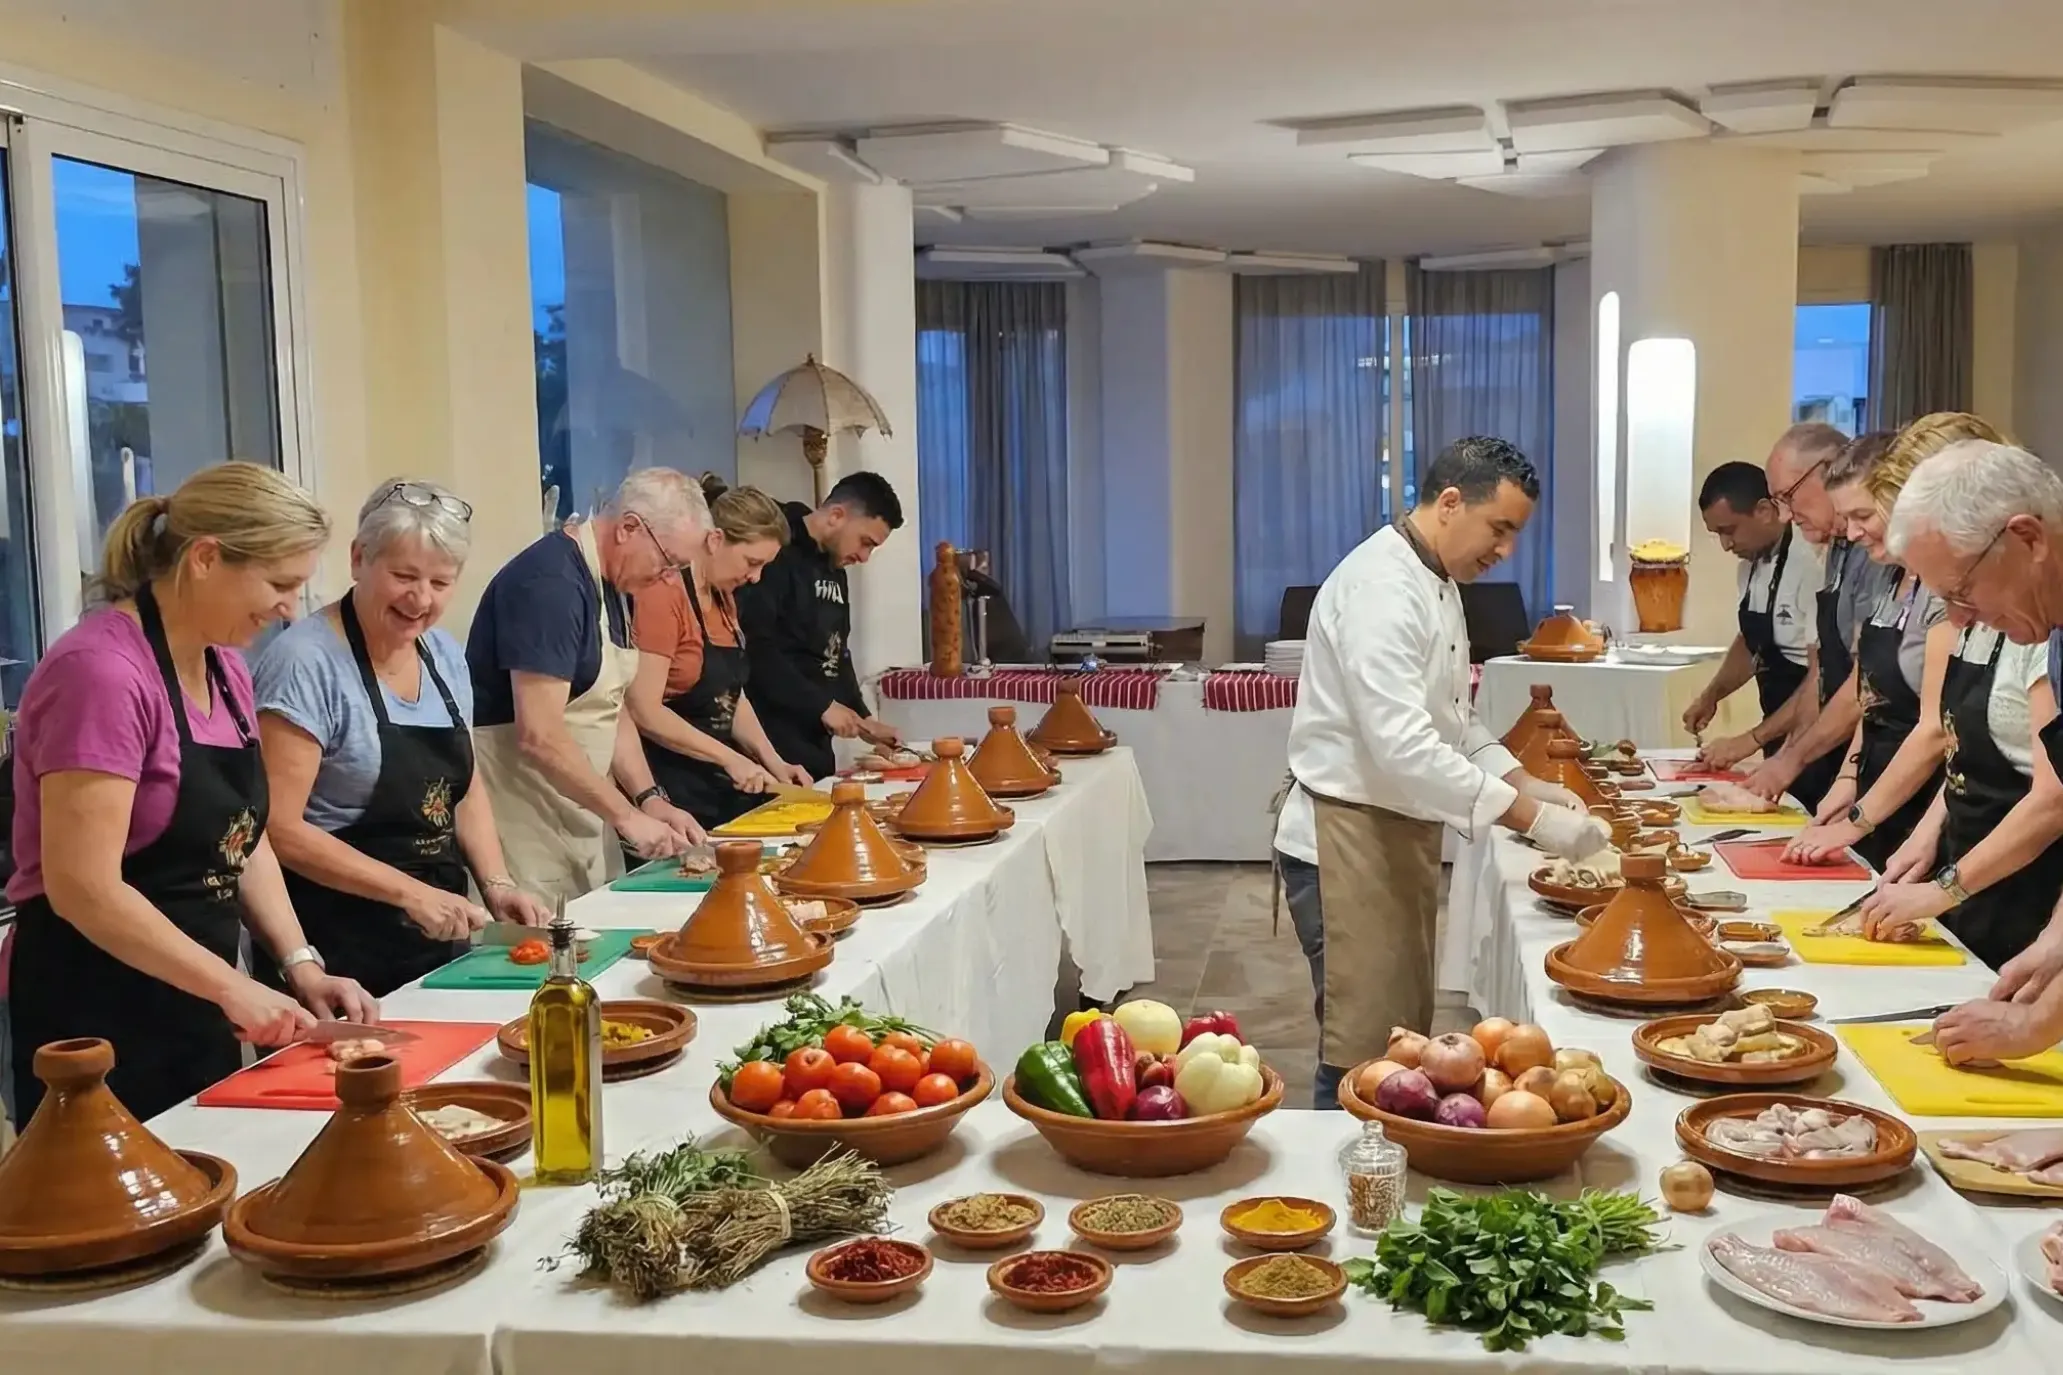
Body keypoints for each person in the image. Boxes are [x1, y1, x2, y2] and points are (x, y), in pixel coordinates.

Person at [5, 464, 376, 1123]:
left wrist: (298, 962)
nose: (291, 608)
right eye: (280, 584)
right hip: (91, 1008)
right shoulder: (101, 674)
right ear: (206, 558)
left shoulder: (224, 663)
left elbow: (239, 837)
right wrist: (231, 985)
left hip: (191, 996)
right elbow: (82, 885)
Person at [1274, 437, 1610, 1108]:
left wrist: (1522, 781)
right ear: (1450, 502)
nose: (1505, 550)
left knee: (1394, 1041)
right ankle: (1342, 1182)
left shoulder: (1434, 578)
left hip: (1390, 831)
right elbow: (1403, 746)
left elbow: (1451, 721)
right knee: (1362, 1053)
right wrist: (1532, 819)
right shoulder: (1381, 587)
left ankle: (1374, 1175)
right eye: (1499, 529)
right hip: (1345, 840)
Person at [253, 480, 551, 999]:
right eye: (403, 576)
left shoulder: (443, 654)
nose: (421, 599)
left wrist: (497, 884)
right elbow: (279, 828)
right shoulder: (305, 663)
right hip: (337, 945)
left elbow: (465, 786)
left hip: (434, 934)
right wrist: (409, 893)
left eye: (440, 583)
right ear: (357, 559)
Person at [1879, 439, 2063, 1060]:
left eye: (1963, 590)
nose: (1964, 618)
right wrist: (2058, 940)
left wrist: (2035, 1029)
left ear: (2027, 538)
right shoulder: (2054, 634)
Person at [466, 468, 708, 903]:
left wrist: (649, 798)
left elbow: (608, 707)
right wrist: (626, 816)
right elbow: (539, 734)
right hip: (526, 829)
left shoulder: (615, 586)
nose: (670, 578)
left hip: (581, 818)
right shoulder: (550, 584)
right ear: (629, 528)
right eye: (668, 562)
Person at [1784, 414, 2006, 872]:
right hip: (1890, 806)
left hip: (1938, 814)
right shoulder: (1891, 578)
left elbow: (1939, 734)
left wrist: (1861, 821)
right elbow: (1873, 698)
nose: (1850, 532)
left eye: (1863, 515)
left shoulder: (1957, 596)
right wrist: (1849, 782)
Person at [629, 477, 813, 828]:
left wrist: (773, 761)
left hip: (715, 785)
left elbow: (728, 694)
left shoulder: (723, 596)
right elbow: (644, 710)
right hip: (670, 786)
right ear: (715, 540)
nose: (756, 578)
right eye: (751, 562)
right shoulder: (664, 596)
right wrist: (729, 758)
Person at [1744, 430, 1901, 804]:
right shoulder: (1837, 548)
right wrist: (1786, 759)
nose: (1784, 514)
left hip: (1888, 770)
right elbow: (1823, 673)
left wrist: (1790, 760)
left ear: (1827, 470)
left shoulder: (1878, 553)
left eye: (1788, 496)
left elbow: (1866, 684)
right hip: (1843, 761)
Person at [736, 472, 907, 781]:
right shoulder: (777, 552)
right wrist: (822, 705)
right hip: (770, 740)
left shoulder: (835, 564)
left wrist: (864, 719)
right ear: (837, 515)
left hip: (814, 743)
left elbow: (837, 653)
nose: (865, 557)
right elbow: (756, 647)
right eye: (865, 542)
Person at [1681, 462, 1830, 807]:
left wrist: (1749, 740)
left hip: (1819, 736)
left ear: (1764, 511)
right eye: (1717, 533)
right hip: (1778, 729)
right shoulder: (1748, 567)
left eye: (1729, 530)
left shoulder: (1813, 565)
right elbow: (1754, 643)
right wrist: (1712, 694)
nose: (1725, 544)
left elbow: (1820, 681)